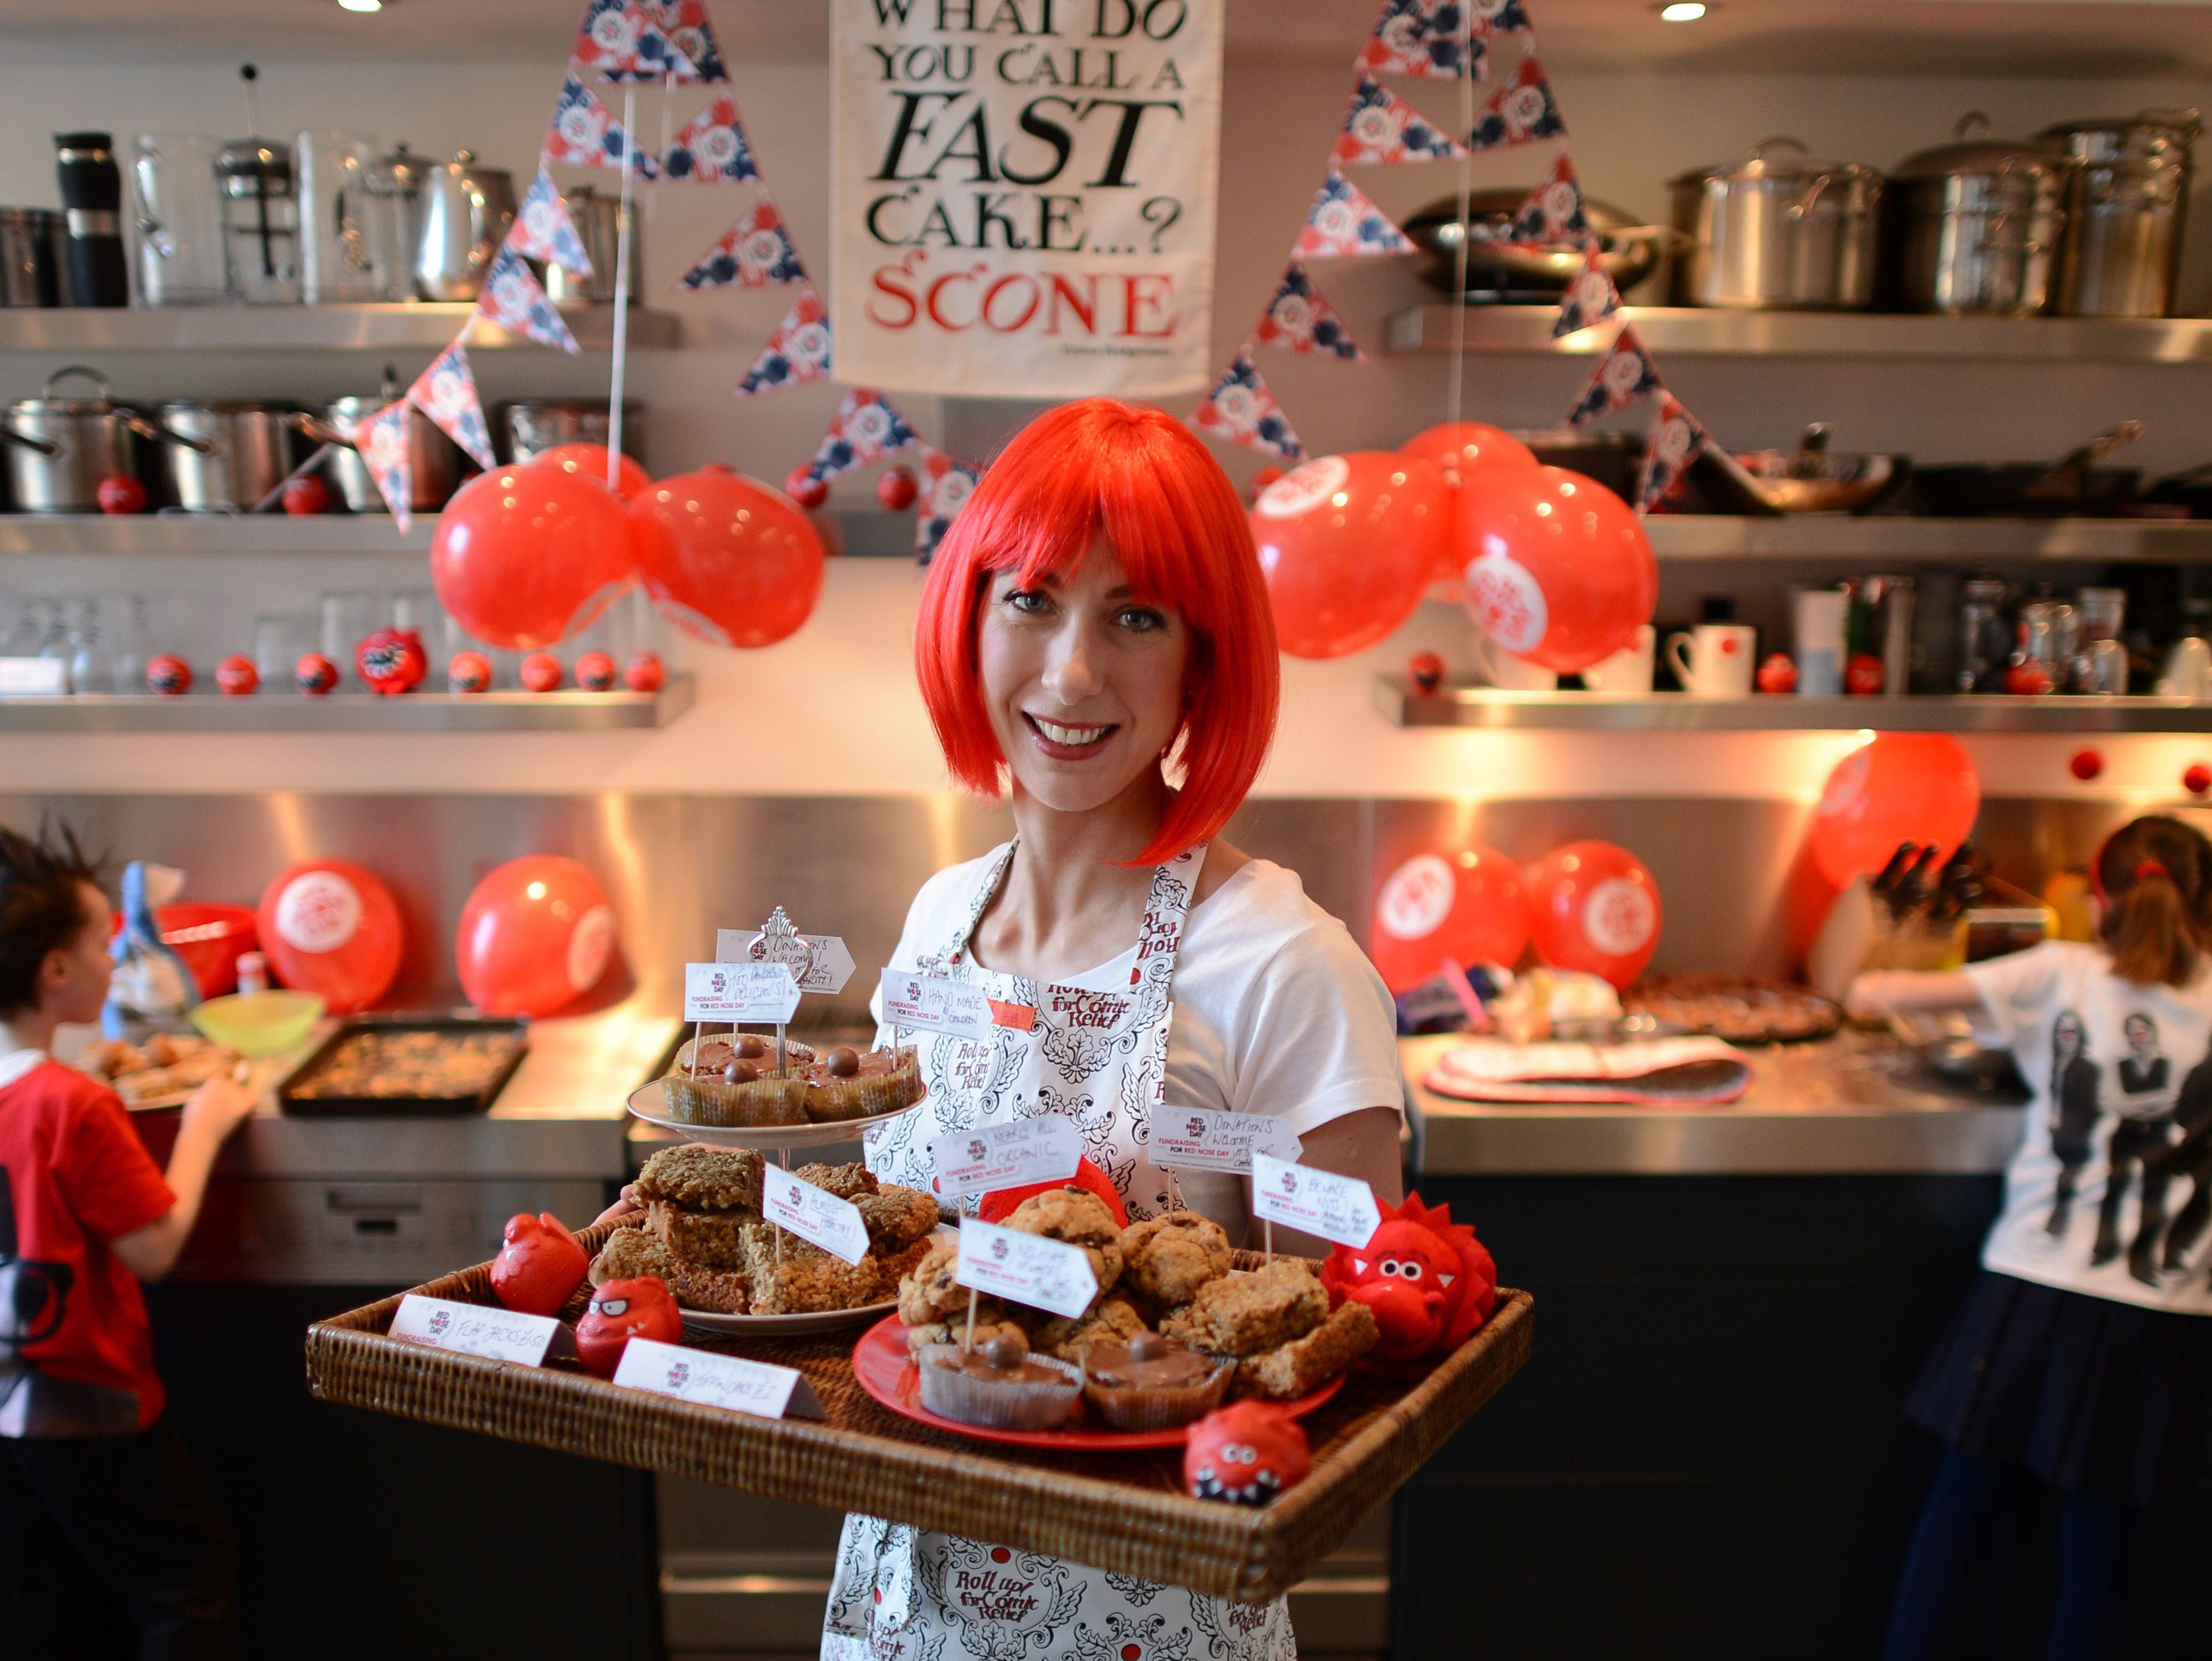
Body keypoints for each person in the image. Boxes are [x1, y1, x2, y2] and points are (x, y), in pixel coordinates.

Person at [822, 399, 1405, 1660]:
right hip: (898, 1603)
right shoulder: (935, 921)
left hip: (1150, 1619)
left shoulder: (1285, 966)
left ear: (1203, 660)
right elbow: (882, 1272)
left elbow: (1343, 1377)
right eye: (1029, 599)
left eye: (1135, 617)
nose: (1071, 673)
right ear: (967, 618)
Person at [1849, 815, 2212, 1661]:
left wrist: (1890, 974)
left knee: (1958, 1510)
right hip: (2166, 1313)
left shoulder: (2060, 973)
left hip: (2033, 1290)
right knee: (2099, 1547)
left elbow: (1877, 998)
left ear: (2097, 898)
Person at [0, 823, 257, 1659]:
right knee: (186, 1586)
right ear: (57, 972)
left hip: (10, 1401)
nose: (117, 959)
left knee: (54, 1602)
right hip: (88, 1401)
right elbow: (153, 1249)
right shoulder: (68, 1103)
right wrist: (205, 1125)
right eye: (101, 941)